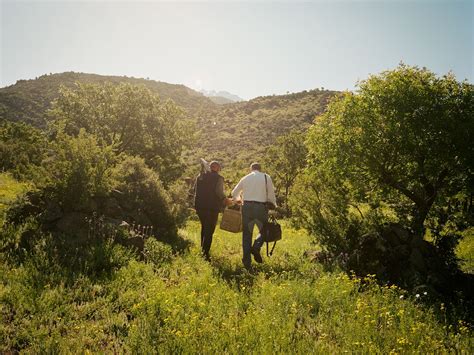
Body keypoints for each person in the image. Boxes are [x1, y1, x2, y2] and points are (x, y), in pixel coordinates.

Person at [232, 162, 277, 270]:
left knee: (247, 235)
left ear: (250, 169)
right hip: (261, 207)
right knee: (264, 231)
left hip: (246, 207)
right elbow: (271, 194)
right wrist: (274, 205)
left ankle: (247, 263)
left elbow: (234, 192)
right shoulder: (266, 177)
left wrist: (238, 200)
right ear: (260, 169)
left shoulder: (245, 178)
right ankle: (256, 247)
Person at [194, 160, 228, 261]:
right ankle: (205, 254)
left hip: (200, 207)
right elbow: (219, 192)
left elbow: (194, 190)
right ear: (218, 168)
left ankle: (202, 249)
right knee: (210, 230)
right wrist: (225, 200)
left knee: (204, 227)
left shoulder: (200, 176)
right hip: (212, 208)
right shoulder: (219, 178)